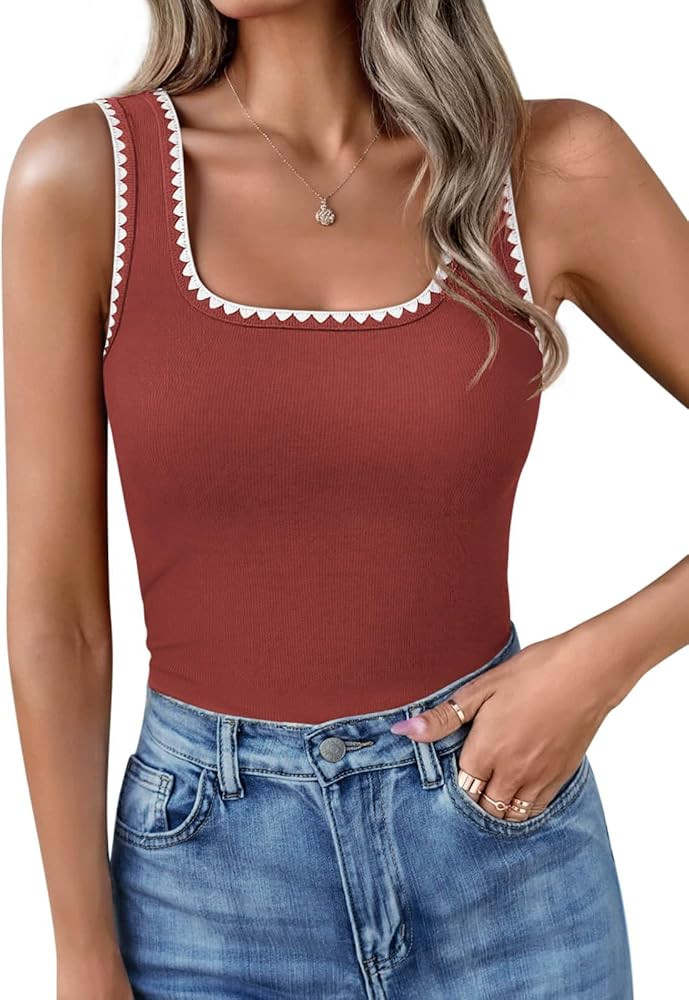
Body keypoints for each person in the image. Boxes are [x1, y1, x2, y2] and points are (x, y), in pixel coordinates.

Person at [4, 2, 688, 998]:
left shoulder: (547, 166)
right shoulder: (86, 178)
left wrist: (599, 662)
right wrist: (80, 951)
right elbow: (57, 616)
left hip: (503, 849)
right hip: (204, 891)